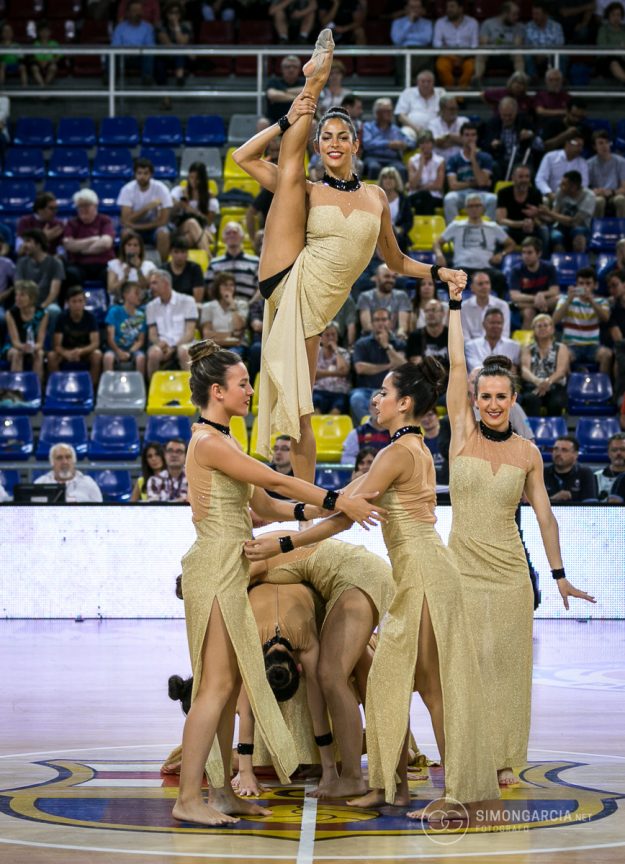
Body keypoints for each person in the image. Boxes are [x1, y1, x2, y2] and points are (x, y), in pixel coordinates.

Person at [247, 357, 501, 817]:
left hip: (425, 572)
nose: (376, 399)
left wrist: (279, 541)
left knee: (431, 688)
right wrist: (289, 518)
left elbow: (343, 518)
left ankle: (455, 796)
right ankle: (394, 787)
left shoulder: (397, 453)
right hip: (416, 572)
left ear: (404, 403)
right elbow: (341, 500)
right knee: (386, 683)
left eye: (384, 392)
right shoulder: (403, 449)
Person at [232, 31, 466, 482]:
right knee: (290, 173)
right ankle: (314, 84)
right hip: (287, 276)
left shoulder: (378, 197)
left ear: (356, 145)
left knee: (302, 410)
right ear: (320, 146)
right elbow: (244, 156)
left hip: (312, 314)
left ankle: (304, 499)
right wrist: (288, 121)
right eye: (326, 137)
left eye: (342, 137)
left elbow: (396, 262)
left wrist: (439, 271)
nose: (334, 143)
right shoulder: (308, 188)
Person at [171, 339, 382, 825]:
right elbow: (279, 481)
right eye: (243, 383)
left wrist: (323, 510)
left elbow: (267, 506)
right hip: (216, 567)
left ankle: (221, 793)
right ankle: (190, 799)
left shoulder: (223, 441)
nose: (250, 391)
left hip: (231, 565)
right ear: (218, 390)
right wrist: (337, 500)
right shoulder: (207, 442)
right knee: (214, 686)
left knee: (226, 686)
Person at [445, 281, 595, 790]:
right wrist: (454, 304)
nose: (491, 403)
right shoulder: (460, 431)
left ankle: (505, 757)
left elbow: (546, 518)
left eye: (500, 397)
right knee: (466, 669)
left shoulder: (529, 452)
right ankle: (466, 753)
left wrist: (559, 576)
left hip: (511, 574)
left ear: (512, 399)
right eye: (484, 396)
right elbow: (458, 366)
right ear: (475, 398)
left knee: (509, 672)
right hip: (461, 569)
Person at [434, 194, 515, 299]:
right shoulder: (456, 225)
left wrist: (501, 254)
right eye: (471, 206)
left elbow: (511, 244)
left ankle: (499, 306)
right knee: (449, 278)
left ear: (482, 208)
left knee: (500, 278)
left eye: (477, 206)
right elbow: (437, 243)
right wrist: (439, 255)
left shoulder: (492, 227)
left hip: (485, 268)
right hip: (462, 267)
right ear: (466, 209)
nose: (474, 209)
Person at [350, 309, 407, 425]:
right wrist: (389, 366)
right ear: (372, 323)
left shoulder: (398, 344)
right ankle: (371, 426)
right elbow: (360, 368)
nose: (381, 323)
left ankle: (385, 427)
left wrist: (386, 346)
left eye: (384, 319)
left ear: (390, 322)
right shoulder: (362, 343)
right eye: (377, 320)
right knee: (356, 399)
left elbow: (403, 366)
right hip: (366, 390)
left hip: (391, 391)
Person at [552, 267, 612, 373]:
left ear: (595, 285)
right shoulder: (565, 299)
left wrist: (591, 301)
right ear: (576, 284)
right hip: (570, 345)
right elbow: (554, 320)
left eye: (588, 283)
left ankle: (602, 386)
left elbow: (605, 318)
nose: (584, 286)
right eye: (581, 283)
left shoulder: (601, 301)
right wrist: (569, 300)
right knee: (562, 355)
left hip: (593, 346)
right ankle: (568, 386)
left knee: (607, 355)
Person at [117, 157, 173, 263]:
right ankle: (127, 265)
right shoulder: (127, 190)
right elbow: (125, 220)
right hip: (135, 230)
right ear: (134, 174)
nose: (142, 177)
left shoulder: (161, 189)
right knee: (126, 233)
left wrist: (137, 225)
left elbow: (163, 221)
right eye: (139, 173)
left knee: (164, 233)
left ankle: (162, 266)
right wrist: (146, 209)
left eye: (145, 173)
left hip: (153, 229)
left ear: (151, 174)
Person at [145, 270, 197, 379]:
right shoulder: (150, 306)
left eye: (154, 283)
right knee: (154, 353)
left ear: (166, 283)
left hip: (184, 343)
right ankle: (152, 389)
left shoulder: (188, 301)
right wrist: (159, 343)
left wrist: (173, 347)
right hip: (163, 344)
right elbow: (152, 334)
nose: (151, 287)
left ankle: (192, 390)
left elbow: (190, 333)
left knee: (183, 351)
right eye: (150, 283)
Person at [48, 286, 102, 387]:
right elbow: (57, 345)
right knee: (52, 356)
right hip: (66, 351)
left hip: (85, 351)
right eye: (74, 301)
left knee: (97, 355)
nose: (77, 304)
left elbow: (95, 343)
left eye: (80, 301)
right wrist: (67, 354)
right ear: (68, 303)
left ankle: (91, 387)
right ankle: (56, 386)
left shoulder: (90, 318)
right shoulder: (62, 318)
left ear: (84, 302)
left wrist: (80, 351)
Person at [443, 123, 497, 223]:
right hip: (461, 194)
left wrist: (473, 159)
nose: (470, 138)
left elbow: (482, 182)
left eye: (473, 135)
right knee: (449, 198)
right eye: (467, 135)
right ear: (461, 137)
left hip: (480, 193)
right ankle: (455, 232)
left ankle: (488, 232)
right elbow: (453, 185)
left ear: (477, 137)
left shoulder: (486, 157)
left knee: (493, 199)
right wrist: (473, 183)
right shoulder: (453, 159)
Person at [62, 189, 116, 289]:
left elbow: (105, 243)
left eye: (86, 205)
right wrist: (94, 239)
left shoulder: (105, 220)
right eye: (80, 206)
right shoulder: (72, 223)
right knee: (71, 274)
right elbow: (69, 245)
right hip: (79, 264)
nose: (83, 209)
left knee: (111, 274)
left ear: (95, 206)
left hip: (103, 264)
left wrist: (80, 249)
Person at [519, 314, 570, 417]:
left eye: (545, 325)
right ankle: (531, 432)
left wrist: (547, 382)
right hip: (533, 385)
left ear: (552, 329)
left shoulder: (561, 348)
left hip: (555, 386)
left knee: (556, 402)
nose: (542, 328)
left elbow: (561, 371)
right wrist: (537, 381)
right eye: (539, 326)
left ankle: (554, 432)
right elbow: (525, 370)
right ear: (534, 330)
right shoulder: (527, 348)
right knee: (531, 399)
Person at [15, 229, 63, 334]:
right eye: (24, 242)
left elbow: (54, 293)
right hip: (25, 303)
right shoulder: (21, 263)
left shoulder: (55, 263)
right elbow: (18, 287)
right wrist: (28, 306)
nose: (24, 245)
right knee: (11, 312)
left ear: (38, 244)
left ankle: (50, 347)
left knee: (54, 311)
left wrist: (41, 308)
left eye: (28, 241)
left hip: (46, 304)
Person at [539, 171, 596, 253]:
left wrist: (549, 213)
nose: (560, 186)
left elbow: (574, 221)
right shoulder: (561, 192)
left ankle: (579, 262)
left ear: (573, 187)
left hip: (581, 226)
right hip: (561, 226)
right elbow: (552, 217)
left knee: (578, 234)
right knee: (556, 237)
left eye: (564, 184)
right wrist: (539, 213)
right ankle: (560, 263)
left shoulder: (589, 196)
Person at [480, 98, 537, 181]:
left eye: (510, 115)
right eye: (504, 115)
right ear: (499, 112)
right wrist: (491, 144)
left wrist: (530, 134)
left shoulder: (524, 121)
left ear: (516, 112)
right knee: (493, 166)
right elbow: (483, 144)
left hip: (520, 158)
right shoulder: (492, 123)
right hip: (499, 158)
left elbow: (538, 139)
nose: (507, 118)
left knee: (526, 169)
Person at [509, 237, 560, 329]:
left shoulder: (549, 267)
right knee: (529, 312)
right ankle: (525, 343)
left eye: (529, 252)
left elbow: (555, 291)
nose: (525, 256)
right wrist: (536, 298)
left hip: (544, 302)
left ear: (539, 253)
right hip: (527, 304)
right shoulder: (516, 270)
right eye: (523, 252)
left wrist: (541, 294)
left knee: (558, 299)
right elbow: (514, 296)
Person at [2, 280, 47, 382]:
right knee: (17, 354)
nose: (18, 299)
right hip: (13, 346)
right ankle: (16, 391)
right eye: (16, 295)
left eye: (22, 295)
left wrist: (33, 347)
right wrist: (23, 347)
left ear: (32, 298)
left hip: (34, 346)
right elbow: (15, 341)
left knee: (39, 354)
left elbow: (40, 342)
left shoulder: (43, 314)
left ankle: (36, 390)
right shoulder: (10, 313)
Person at [170, 161, 218, 253]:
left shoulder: (209, 197)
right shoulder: (179, 192)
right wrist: (181, 202)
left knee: (190, 238)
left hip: (202, 229)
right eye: (191, 178)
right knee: (192, 223)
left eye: (197, 179)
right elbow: (171, 212)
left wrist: (190, 210)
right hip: (182, 228)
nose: (194, 182)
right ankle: (209, 259)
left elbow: (208, 222)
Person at [496, 165, 548, 250]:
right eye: (520, 177)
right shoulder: (503, 193)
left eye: (527, 177)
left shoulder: (536, 193)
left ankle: (543, 259)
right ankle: (499, 258)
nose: (524, 180)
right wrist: (520, 224)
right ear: (513, 178)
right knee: (502, 229)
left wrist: (534, 220)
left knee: (544, 230)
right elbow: (501, 219)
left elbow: (540, 220)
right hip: (511, 228)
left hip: (530, 229)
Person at [206, 222, 259, 302]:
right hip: (222, 307)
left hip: (248, 305)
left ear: (242, 237)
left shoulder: (255, 262)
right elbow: (209, 289)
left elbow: (260, 288)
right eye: (228, 233)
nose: (232, 235)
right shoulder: (214, 263)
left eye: (235, 232)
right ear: (223, 239)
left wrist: (249, 305)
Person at [474, 1, 525, 85]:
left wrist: (492, 40)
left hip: (509, 54)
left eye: (517, 14)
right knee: (481, 51)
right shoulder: (488, 23)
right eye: (514, 14)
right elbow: (483, 40)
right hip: (491, 54)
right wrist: (507, 42)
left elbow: (518, 43)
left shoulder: (519, 26)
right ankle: (477, 78)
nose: (517, 17)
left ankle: (520, 78)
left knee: (518, 53)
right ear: (505, 13)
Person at [103, 281, 147, 376]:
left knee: (141, 359)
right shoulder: (114, 311)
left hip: (133, 349)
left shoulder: (141, 315)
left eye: (140, 293)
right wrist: (119, 352)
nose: (139, 296)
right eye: (136, 293)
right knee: (108, 358)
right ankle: (109, 388)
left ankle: (140, 388)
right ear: (126, 295)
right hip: (115, 348)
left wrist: (130, 352)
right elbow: (110, 337)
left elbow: (140, 340)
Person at [35, 443, 103, 503]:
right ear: (52, 462)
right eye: (59, 458)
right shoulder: (41, 483)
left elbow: (100, 512)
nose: (64, 462)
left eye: (68, 457)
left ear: (74, 461)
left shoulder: (88, 483)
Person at [200, 272, 248, 356]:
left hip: (237, 347)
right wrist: (231, 335)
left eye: (231, 285)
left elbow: (239, 327)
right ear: (218, 287)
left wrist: (232, 305)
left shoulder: (242, 305)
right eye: (225, 285)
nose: (228, 288)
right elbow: (207, 334)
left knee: (230, 356)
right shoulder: (208, 307)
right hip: (213, 346)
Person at [433, 0, 478, 89]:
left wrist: (462, 57)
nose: (449, 10)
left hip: (467, 57)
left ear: (460, 9)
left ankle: (460, 96)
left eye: (452, 7)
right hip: (447, 56)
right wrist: (452, 56)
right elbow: (437, 44)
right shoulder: (440, 23)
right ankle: (450, 93)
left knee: (471, 68)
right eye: (448, 7)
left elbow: (474, 45)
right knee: (441, 66)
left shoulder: (472, 23)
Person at [357, 264, 410, 338]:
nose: (391, 280)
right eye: (387, 276)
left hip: (394, 339)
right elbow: (367, 327)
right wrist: (383, 336)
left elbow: (403, 326)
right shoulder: (365, 297)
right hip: (371, 339)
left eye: (393, 277)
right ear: (376, 278)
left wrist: (399, 333)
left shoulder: (402, 296)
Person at [395, 69, 445, 147]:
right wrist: (416, 129)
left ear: (433, 82)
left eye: (429, 81)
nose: (426, 84)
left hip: (435, 129)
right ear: (417, 82)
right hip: (412, 129)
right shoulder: (408, 92)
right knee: (405, 133)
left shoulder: (441, 93)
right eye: (423, 81)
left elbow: (446, 112)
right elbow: (401, 116)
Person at [361, 98, 409, 180]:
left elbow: (410, 142)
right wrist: (388, 144)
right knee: (374, 168)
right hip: (373, 157)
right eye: (386, 111)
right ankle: (372, 192)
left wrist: (404, 144)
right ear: (377, 113)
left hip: (392, 159)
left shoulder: (395, 129)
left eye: (390, 111)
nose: (390, 113)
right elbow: (367, 144)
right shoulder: (368, 127)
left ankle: (400, 192)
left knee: (402, 169)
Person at [111, 0, 156, 85]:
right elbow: (115, 46)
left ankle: (147, 78)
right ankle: (109, 78)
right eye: (134, 10)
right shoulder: (120, 27)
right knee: (109, 55)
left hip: (140, 57)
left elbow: (150, 46)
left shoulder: (148, 27)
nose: (138, 13)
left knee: (149, 55)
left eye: (139, 10)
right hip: (124, 57)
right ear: (128, 13)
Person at [107, 230, 157, 303]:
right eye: (129, 245)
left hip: (142, 303)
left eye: (135, 245)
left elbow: (146, 287)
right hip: (120, 304)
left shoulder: (149, 265)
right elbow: (111, 290)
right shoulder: (114, 264)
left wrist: (138, 270)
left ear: (140, 248)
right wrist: (124, 278)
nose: (132, 248)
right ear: (124, 247)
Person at [465, 307, 521, 372]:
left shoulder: (514, 346)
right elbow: (475, 368)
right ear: (484, 324)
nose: (495, 326)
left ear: (503, 325)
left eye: (499, 323)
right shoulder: (471, 346)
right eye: (492, 323)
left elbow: (514, 370)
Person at [312, 321, 351, 415]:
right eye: (327, 335)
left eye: (333, 335)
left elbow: (344, 370)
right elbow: (314, 373)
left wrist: (336, 350)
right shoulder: (315, 353)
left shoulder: (343, 352)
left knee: (338, 406)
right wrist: (337, 373)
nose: (331, 338)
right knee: (314, 404)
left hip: (338, 392)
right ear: (321, 339)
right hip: (319, 390)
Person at [341, 391, 391, 463]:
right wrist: (365, 464)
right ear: (369, 408)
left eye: (382, 404)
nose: (377, 408)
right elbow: (346, 458)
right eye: (374, 404)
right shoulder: (356, 434)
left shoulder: (397, 433)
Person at [544, 435, 598, 502]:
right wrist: (553, 499)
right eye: (555, 449)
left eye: (564, 450)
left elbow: (590, 505)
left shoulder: (585, 473)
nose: (558, 453)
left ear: (575, 455)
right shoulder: (542, 473)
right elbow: (532, 505)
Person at [460, 270, 511, 340]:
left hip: (497, 347)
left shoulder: (502, 305)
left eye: (487, 283)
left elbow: (505, 334)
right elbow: (464, 336)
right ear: (472, 288)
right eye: (480, 284)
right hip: (472, 348)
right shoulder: (463, 307)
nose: (485, 287)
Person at [587, 130, 625, 219]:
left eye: (607, 143)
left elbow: (624, 187)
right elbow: (584, 187)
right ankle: (596, 230)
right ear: (594, 147)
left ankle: (622, 230)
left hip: (615, 193)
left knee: (620, 199)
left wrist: (611, 192)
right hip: (598, 195)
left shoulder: (621, 162)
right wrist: (594, 192)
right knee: (598, 201)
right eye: (600, 143)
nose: (605, 146)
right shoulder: (589, 164)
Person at [406, 131, 445, 217]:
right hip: (415, 196)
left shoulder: (439, 161)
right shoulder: (412, 161)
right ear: (418, 145)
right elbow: (413, 184)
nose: (425, 146)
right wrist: (420, 165)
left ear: (432, 144)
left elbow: (438, 186)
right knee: (422, 197)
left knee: (424, 196)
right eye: (422, 143)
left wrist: (420, 187)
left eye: (427, 142)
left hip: (435, 197)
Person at [523, 0, 564, 80]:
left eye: (537, 14)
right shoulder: (528, 27)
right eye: (533, 14)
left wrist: (546, 54)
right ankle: (533, 79)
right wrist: (536, 53)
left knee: (562, 56)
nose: (534, 17)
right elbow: (526, 45)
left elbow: (560, 44)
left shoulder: (556, 26)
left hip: (551, 56)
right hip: (534, 57)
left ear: (546, 14)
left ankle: (559, 79)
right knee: (527, 56)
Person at [376, 167, 413, 254]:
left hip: (397, 236)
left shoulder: (403, 199)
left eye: (391, 178)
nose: (388, 180)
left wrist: (401, 230)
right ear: (381, 181)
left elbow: (409, 221)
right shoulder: (375, 198)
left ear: (396, 181)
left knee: (400, 239)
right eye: (385, 178)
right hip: (378, 234)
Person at [16, 192, 64, 257]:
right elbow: (19, 251)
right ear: (40, 209)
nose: (55, 211)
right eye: (51, 208)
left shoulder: (58, 224)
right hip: (30, 261)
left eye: (56, 208)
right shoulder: (25, 222)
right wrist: (43, 238)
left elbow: (61, 251)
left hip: (52, 261)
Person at [406, 298, 450, 370]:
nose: (430, 313)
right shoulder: (415, 336)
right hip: (425, 378)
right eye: (427, 311)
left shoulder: (452, 335)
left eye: (433, 310)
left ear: (443, 313)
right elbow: (415, 364)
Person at [165, 237, 206, 304]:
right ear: (170, 253)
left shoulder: (195, 269)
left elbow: (198, 298)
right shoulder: (164, 270)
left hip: (190, 308)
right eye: (176, 252)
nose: (180, 256)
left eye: (183, 252)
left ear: (187, 253)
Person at [146, 437, 189, 502]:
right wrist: (179, 501)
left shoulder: (194, 481)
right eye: (170, 451)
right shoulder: (154, 480)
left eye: (179, 451)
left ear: (186, 456)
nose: (174, 455)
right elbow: (154, 508)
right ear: (165, 455)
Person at [427, 95, 468, 163]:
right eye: (451, 109)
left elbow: (467, 140)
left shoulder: (464, 121)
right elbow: (435, 142)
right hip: (439, 162)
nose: (454, 111)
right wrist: (457, 141)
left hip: (460, 163)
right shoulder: (433, 123)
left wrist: (449, 136)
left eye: (456, 108)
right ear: (442, 109)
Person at [265, 55, 305, 123]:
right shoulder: (274, 81)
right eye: (287, 67)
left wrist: (282, 92)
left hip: (299, 120)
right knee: (262, 122)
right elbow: (272, 95)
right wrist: (298, 97)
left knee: (313, 123)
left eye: (295, 67)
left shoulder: (305, 81)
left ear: (299, 69)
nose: (291, 69)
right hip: (275, 120)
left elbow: (308, 91)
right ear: (281, 69)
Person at [597, 1, 625, 84]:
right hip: (607, 61)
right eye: (613, 15)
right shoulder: (603, 30)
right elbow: (602, 48)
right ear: (608, 16)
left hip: (623, 60)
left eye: (618, 15)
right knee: (614, 63)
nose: (616, 18)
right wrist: (619, 47)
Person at [30, 20, 60, 87]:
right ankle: (42, 87)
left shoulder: (54, 43)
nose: (44, 33)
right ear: (38, 33)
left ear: (50, 32)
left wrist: (49, 61)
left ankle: (45, 87)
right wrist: (40, 62)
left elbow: (58, 57)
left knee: (53, 67)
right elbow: (34, 57)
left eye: (46, 31)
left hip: (50, 63)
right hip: (38, 63)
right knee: (34, 68)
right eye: (42, 31)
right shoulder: (36, 43)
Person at [0, 23, 27, 87]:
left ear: (12, 33)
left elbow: (21, 57)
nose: (7, 33)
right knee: (2, 65)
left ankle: (25, 88)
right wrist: (5, 48)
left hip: (14, 65)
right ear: (2, 34)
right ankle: (1, 88)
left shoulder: (16, 45)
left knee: (22, 67)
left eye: (9, 31)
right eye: (5, 31)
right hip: (3, 65)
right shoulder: (0, 45)